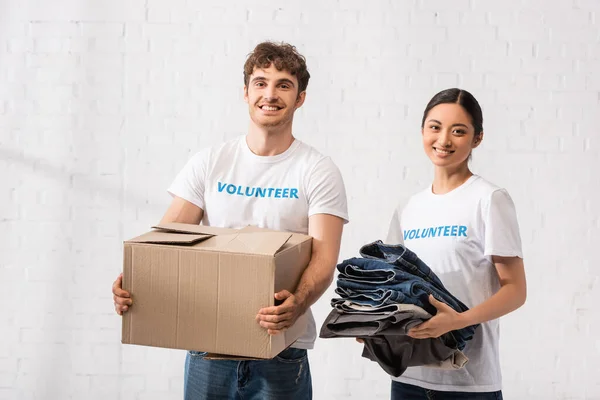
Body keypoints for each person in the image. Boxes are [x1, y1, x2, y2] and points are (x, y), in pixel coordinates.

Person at [112, 41, 349, 399]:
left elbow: (324, 258)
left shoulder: (317, 170)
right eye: (261, 82)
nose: (270, 94)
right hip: (208, 345)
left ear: (300, 98)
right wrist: (136, 281)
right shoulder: (209, 163)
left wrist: (298, 301)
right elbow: (164, 243)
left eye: (284, 85)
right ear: (246, 92)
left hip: (282, 347)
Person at [386, 88, 527, 399]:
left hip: (469, 383)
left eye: (458, 131)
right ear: (423, 131)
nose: (444, 140)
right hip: (409, 379)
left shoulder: (489, 200)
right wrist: (379, 326)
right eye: (435, 127)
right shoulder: (408, 207)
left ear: (477, 138)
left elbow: (515, 291)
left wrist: (458, 321)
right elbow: (396, 285)